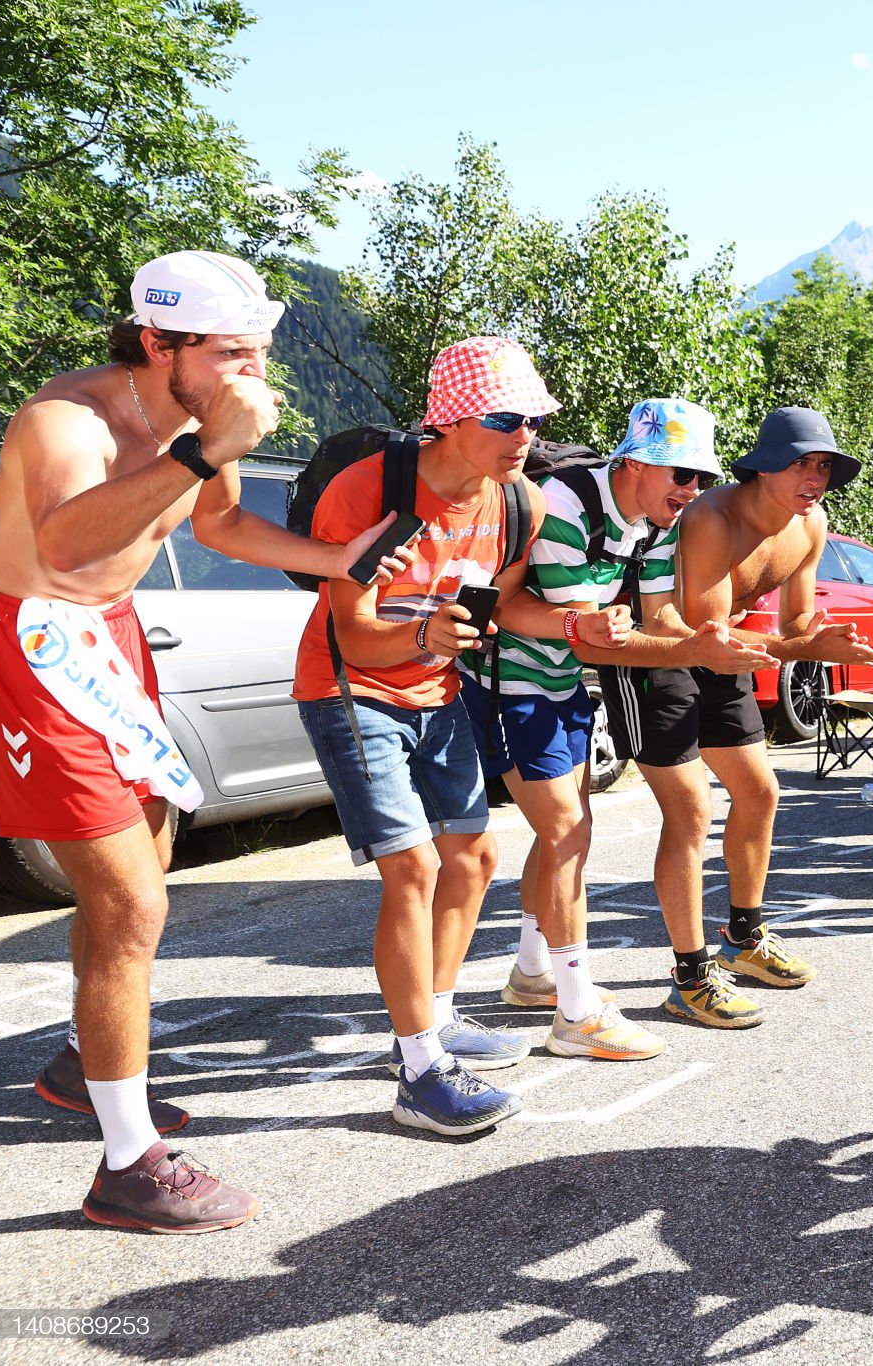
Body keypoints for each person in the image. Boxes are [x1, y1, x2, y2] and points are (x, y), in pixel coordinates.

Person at [0, 251, 416, 1230]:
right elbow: (64, 545)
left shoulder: (198, 415)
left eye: (256, 351)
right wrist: (202, 448)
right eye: (229, 352)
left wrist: (336, 557)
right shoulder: (66, 420)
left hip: (112, 633)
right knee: (129, 901)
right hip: (34, 637)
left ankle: (86, 1059)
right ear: (156, 342)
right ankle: (127, 1165)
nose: (251, 373)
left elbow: (218, 527)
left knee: (152, 863)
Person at [295, 336, 582, 1137]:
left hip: (439, 689)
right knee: (413, 869)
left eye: (533, 419)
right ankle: (420, 1073)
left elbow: (505, 605)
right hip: (351, 690)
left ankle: (439, 1014)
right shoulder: (368, 491)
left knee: (474, 856)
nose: (524, 434)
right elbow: (353, 636)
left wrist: (574, 625)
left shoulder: (516, 501)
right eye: (505, 419)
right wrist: (426, 637)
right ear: (451, 419)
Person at [464, 399, 760, 1060]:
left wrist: (714, 642)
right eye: (681, 473)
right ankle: (576, 1014)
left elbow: (657, 619)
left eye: (702, 478)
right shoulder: (564, 505)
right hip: (507, 681)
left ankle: (532, 971)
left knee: (567, 830)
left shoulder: (657, 524)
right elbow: (584, 633)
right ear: (634, 464)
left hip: (563, 681)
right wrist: (691, 650)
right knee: (566, 832)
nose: (693, 489)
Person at [658, 406, 873, 1010]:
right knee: (690, 812)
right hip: (664, 654)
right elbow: (707, 634)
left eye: (823, 466)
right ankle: (690, 975)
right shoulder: (712, 518)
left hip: (727, 657)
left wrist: (826, 636)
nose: (814, 478)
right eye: (799, 464)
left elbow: (795, 622)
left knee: (760, 793)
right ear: (763, 467)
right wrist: (806, 646)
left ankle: (744, 937)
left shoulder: (810, 524)